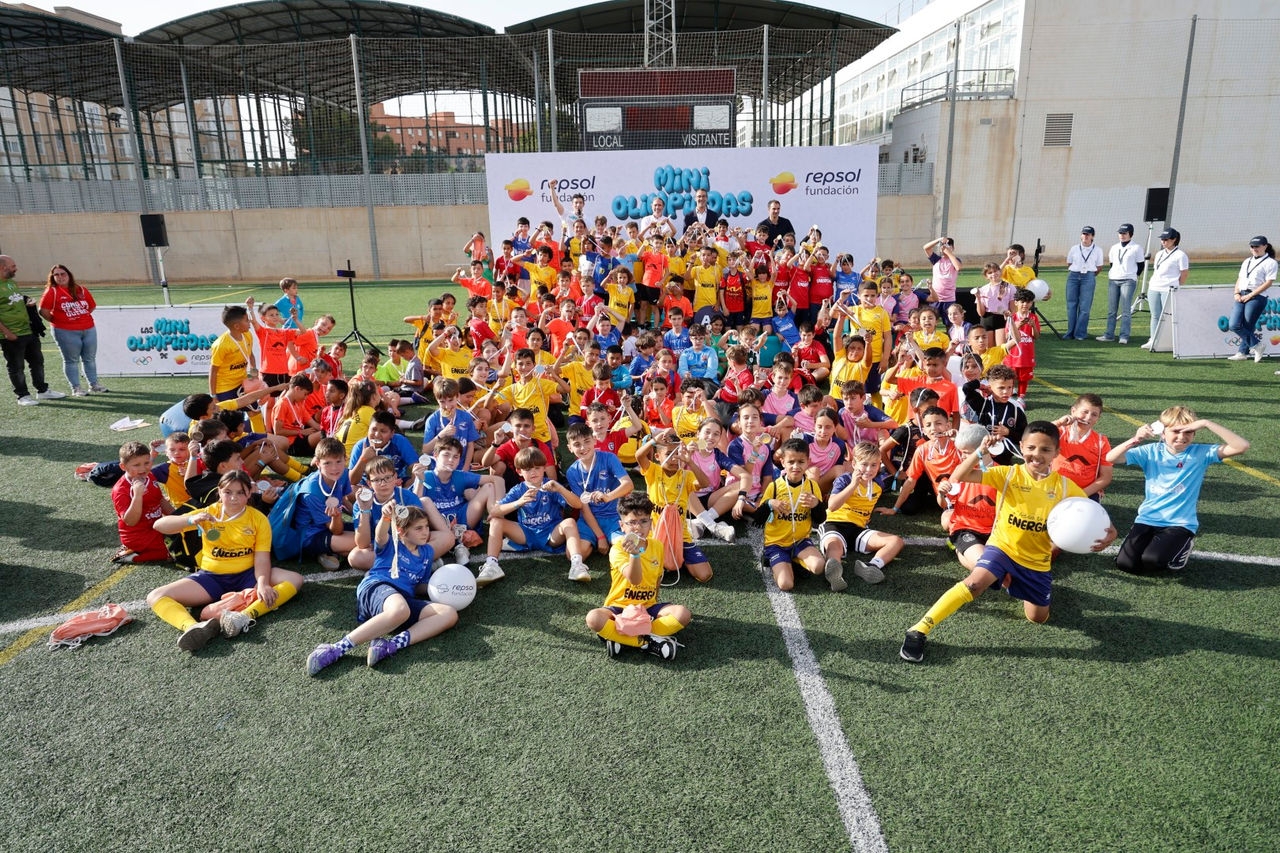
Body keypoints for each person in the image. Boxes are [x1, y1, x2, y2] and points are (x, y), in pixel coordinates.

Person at [900, 422, 1117, 663]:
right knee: (974, 584)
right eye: (1031, 447)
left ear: (1056, 453)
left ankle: (1018, 584)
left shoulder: (1065, 487)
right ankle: (919, 629)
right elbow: (959, 477)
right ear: (1022, 447)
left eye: (1046, 450)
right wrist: (978, 451)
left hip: (1036, 561)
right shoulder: (1008, 474)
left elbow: (1094, 515)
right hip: (1002, 548)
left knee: (1037, 618)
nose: (1037, 454)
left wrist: (1111, 534)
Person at [149, 470, 304, 652]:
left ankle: (243, 616)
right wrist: (191, 520)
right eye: (228, 492)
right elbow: (158, 525)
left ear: (249, 493)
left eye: (240, 492)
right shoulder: (208, 513)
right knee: (156, 596)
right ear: (219, 493)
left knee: (295, 579)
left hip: (247, 575)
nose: (233, 498)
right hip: (211, 578)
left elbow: (261, 557)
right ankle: (192, 627)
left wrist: (262, 583)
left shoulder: (258, 519)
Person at [306, 501, 457, 675]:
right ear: (401, 531)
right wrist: (386, 517)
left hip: (402, 602)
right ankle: (336, 648)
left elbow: (419, 587)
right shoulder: (392, 544)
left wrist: (444, 587)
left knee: (449, 613)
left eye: (426, 527)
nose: (425, 532)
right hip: (376, 588)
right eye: (418, 528)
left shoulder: (427, 553)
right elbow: (379, 536)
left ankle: (390, 645)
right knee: (401, 610)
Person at [1106, 407, 1249, 574]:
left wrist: (1206, 423)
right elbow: (1111, 458)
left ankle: (1185, 545)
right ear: (1163, 433)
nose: (1182, 437)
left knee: (1153, 561)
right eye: (1176, 431)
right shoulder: (1151, 451)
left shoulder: (1201, 453)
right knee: (1126, 565)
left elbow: (1242, 446)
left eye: (1188, 432)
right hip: (1147, 518)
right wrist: (1136, 439)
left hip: (1179, 523)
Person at [585, 493, 690, 660]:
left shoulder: (657, 546)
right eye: (632, 522)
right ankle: (647, 642)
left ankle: (620, 637)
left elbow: (656, 580)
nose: (638, 528)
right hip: (619, 607)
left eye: (643, 521)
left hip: (647, 606)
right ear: (622, 525)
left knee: (683, 614)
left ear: (651, 522)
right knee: (593, 618)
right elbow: (635, 579)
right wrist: (634, 555)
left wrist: (651, 607)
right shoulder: (618, 549)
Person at [479, 446, 590, 586]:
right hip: (526, 534)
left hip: (551, 534)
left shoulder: (551, 485)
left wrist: (560, 488)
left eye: (537, 468)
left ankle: (577, 565)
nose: (533, 472)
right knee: (495, 522)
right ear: (519, 471)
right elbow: (494, 511)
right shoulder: (518, 489)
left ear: (544, 468)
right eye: (528, 469)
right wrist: (519, 502)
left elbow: (578, 504)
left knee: (569, 522)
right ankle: (491, 566)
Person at [819, 441, 903, 590]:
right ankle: (835, 573)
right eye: (864, 464)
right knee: (835, 547)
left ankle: (871, 566)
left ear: (879, 466)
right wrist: (853, 485)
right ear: (854, 463)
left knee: (896, 541)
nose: (868, 470)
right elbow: (832, 506)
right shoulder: (844, 479)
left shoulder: (878, 485)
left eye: (874, 465)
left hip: (858, 529)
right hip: (835, 524)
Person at [0, 254, 63, 406]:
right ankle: (22, 396)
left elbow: (14, 302)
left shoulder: (11, 283)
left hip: (28, 331)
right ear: (3, 268)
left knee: (37, 362)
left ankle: (42, 391)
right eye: (13, 266)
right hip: (12, 335)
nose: (16, 269)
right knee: (16, 367)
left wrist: (28, 305)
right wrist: (7, 333)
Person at [38, 264, 105, 395]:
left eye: (63, 274)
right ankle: (76, 388)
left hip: (88, 329)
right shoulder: (52, 291)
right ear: (52, 277)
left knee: (89, 359)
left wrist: (81, 316)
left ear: (69, 275)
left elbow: (91, 306)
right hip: (65, 331)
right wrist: (57, 320)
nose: (60, 277)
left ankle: (94, 384)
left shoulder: (81, 289)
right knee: (71, 360)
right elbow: (43, 310)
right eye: (56, 275)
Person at [111, 440, 175, 564]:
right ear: (123, 467)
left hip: (155, 526)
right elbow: (130, 521)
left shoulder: (148, 476)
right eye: (136, 465)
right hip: (138, 535)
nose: (143, 468)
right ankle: (129, 556)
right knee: (171, 553)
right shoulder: (120, 490)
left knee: (186, 533)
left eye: (146, 463)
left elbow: (160, 499)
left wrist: (177, 517)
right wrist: (137, 496)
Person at [1227, 236, 1276, 362]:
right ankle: (1257, 346)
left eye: (1257, 246)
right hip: (1242, 294)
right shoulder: (1246, 261)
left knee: (1248, 325)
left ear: (1265, 246)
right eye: (1252, 246)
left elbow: (1269, 282)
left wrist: (1250, 295)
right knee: (1233, 324)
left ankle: (1242, 352)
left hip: (1257, 296)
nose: (1254, 249)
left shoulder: (1271, 262)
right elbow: (1240, 278)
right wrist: (1236, 293)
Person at [1141, 228, 1189, 350]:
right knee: (1155, 315)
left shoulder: (1180, 255)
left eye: (1166, 239)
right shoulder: (1159, 254)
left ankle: (1172, 341)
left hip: (1169, 289)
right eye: (1162, 239)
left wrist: (1176, 286)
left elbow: (1184, 273)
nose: (1163, 242)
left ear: (1174, 240)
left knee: (1168, 316)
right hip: (1154, 287)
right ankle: (1153, 339)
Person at [1098, 223, 1141, 344]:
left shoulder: (1136, 248)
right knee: (1112, 310)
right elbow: (1112, 264)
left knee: (1126, 309)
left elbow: (1140, 265)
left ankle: (1124, 336)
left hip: (1128, 280)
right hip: (1113, 279)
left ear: (1130, 234)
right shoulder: (1114, 247)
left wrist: (1131, 275)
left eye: (1124, 233)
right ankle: (1109, 335)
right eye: (1120, 233)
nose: (1122, 235)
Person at [1064, 226, 1104, 340]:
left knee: (1085, 307)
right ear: (1081, 235)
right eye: (1084, 234)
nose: (1085, 236)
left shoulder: (1098, 250)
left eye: (1088, 234)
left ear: (1092, 236)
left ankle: (1080, 333)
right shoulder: (1074, 248)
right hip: (1073, 276)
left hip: (1089, 276)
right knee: (1071, 305)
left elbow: (1099, 267)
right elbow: (1069, 263)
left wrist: (1089, 275)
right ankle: (1070, 332)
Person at [923, 237, 961, 316]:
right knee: (932, 320)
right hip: (935, 298)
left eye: (948, 245)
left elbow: (958, 267)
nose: (945, 247)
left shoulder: (955, 260)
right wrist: (939, 240)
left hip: (949, 299)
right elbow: (926, 248)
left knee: (950, 322)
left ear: (953, 248)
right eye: (943, 245)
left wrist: (949, 253)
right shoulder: (936, 259)